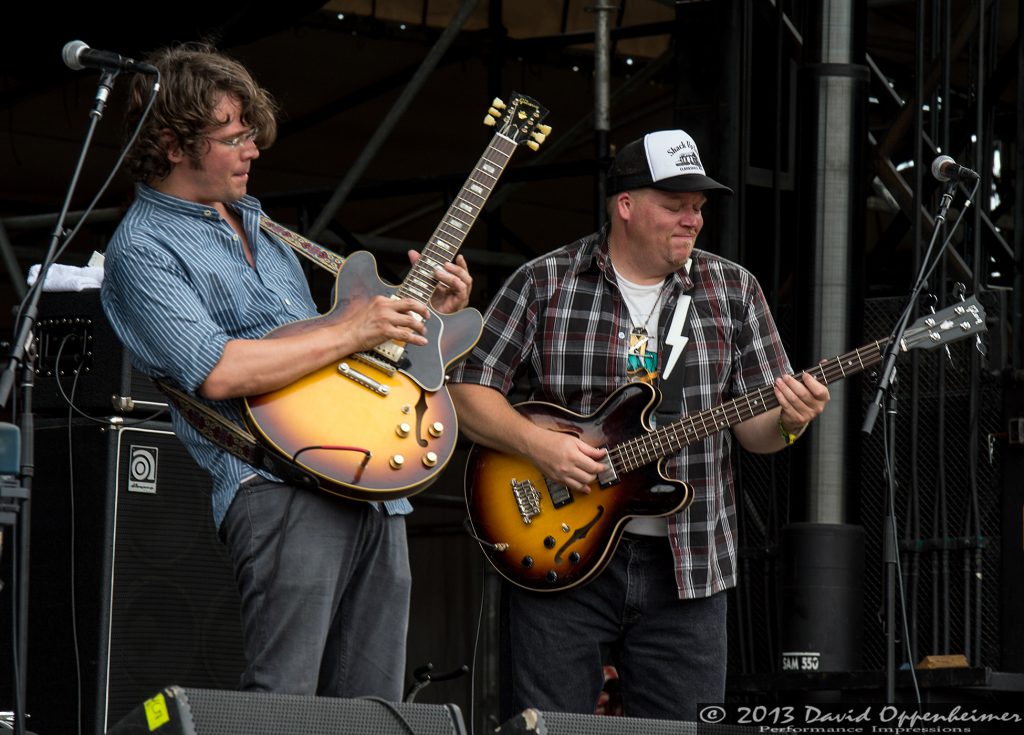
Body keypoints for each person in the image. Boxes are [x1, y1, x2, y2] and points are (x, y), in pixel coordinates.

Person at [100, 42, 472, 700]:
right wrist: (356, 326)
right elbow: (215, 368)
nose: (254, 150)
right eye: (234, 137)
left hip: (374, 484)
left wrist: (424, 320)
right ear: (172, 141)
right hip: (278, 484)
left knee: (374, 707)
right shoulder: (142, 247)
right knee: (285, 703)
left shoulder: (262, 222)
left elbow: (329, 354)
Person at [447, 129, 830, 721]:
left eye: (698, 208)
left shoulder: (734, 290)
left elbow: (758, 432)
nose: (693, 221)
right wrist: (539, 446)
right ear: (625, 205)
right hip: (558, 553)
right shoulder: (545, 280)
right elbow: (468, 392)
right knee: (547, 728)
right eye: (675, 206)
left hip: (692, 565)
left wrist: (791, 423)